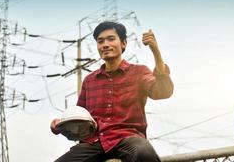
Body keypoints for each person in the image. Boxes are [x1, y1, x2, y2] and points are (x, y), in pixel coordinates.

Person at [50, 21, 174, 162]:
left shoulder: (139, 72)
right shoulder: (89, 80)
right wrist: (61, 124)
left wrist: (156, 52)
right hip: (94, 142)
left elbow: (163, 92)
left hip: (128, 138)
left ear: (123, 43)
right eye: (100, 41)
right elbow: (81, 119)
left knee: (143, 152)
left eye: (111, 39)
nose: (105, 45)